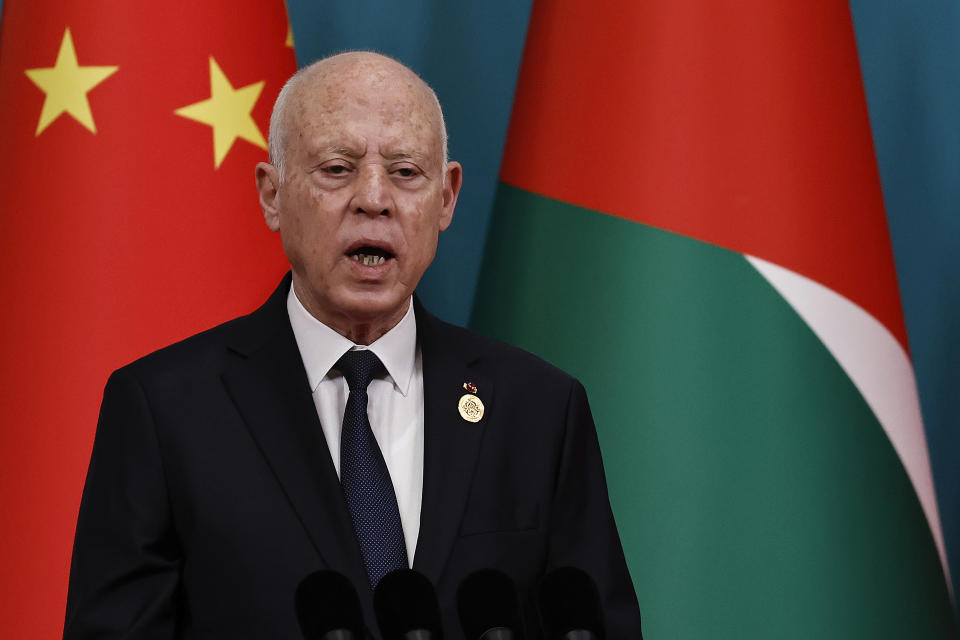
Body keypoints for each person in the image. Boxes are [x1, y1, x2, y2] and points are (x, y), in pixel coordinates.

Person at [64, 52, 643, 639]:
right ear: (272, 194)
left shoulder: (540, 408)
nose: (374, 198)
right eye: (338, 169)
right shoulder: (164, 409)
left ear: (446, 198)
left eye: (406, 172)